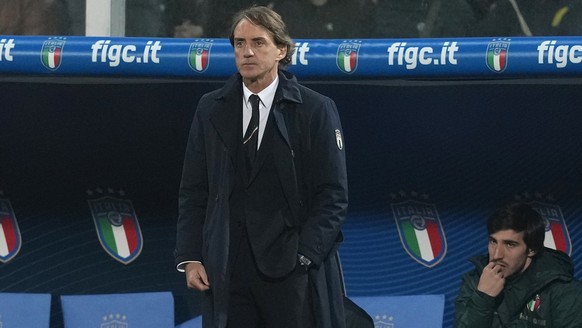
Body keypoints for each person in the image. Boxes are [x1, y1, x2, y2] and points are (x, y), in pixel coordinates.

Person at [174, 5, 348, 328]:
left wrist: (304, 256)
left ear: (282, 50)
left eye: (258, 42)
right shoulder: (211, 108)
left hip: (291, 275)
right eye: (239, 43)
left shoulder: (315, 110)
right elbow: (194, 190)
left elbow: (333, 197)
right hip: (227, 271)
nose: (247, 52)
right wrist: (191, 256)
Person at [454, 202, 582, 327]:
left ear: (532, 249)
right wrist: (483, 298)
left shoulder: (563, 290)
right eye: (493, 241)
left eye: (510, 244)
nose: (497, 254)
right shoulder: (476, 281)